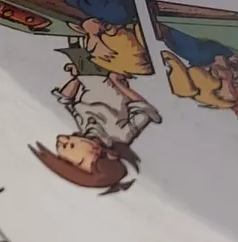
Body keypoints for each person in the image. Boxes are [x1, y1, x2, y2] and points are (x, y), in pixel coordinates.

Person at [31, 61, 162, 194]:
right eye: (70, 144)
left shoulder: (84, 125)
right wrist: (117, 82)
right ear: (94, 154)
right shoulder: (121, 135)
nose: (62, 137)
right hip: (113, 68)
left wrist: (76, 77)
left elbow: (66, 100)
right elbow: (146, 109)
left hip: (89, 69)